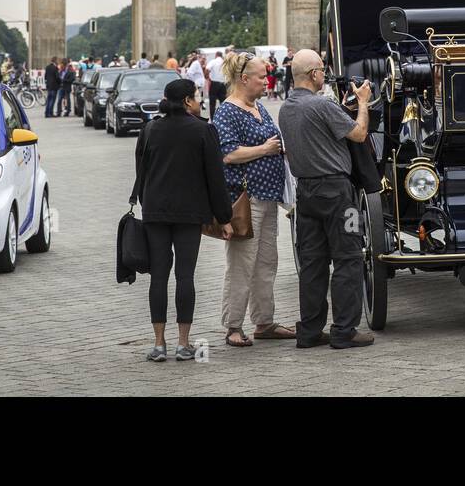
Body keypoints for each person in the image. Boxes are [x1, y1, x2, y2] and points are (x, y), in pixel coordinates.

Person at [130, 78, 234, 363]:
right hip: (190, 214)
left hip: (155, 212)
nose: (200, 101)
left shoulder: (149, 129)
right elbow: (216, 179)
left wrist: (146, 201)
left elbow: (142, 170)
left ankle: (159, 344)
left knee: (159, 277)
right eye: (197, 96)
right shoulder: (203, 130)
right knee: (185, 276)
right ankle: (183, 343)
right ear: (187, 101)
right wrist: (224, 217)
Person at [277, 48, 375, 350]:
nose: (325, 74)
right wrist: (362, 103)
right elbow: (359, 134)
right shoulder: (322, 105)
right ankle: (344, 331)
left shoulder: (285, 109)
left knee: (313, 264)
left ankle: (309, 331)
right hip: (337, 195)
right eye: (322, 69)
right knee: (348, 258)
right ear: (313, 75)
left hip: (306, 193)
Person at [213, 52, 294, 347]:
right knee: (241, 264)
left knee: (266, 262)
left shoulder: (258, 106)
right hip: (246, 201)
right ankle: (233, 325)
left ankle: (264, 321)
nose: (267, 81)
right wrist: (265, 150)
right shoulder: (227, 112)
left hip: (268, 197)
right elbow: (228, 154)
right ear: (244, 79)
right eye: (262, 77)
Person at [207, 50, 227, 117]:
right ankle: (224, 116)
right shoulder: (224, 62)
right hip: (223, 83)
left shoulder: (213, 61)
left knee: (212, 103)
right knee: (223, 102)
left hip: (214, 83)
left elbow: (207, 69)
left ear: (216, 55)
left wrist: (206, 76)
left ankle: (212, 118)